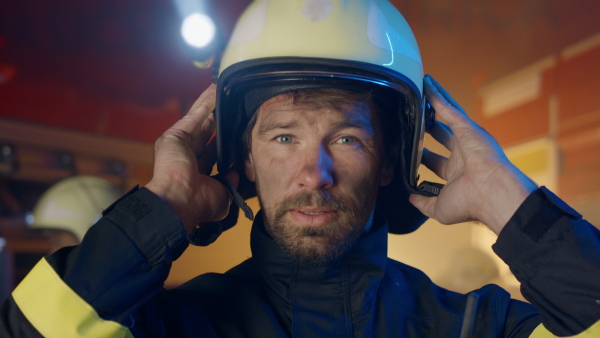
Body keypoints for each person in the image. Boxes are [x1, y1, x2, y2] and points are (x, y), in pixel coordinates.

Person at [1, 1, 599, 337]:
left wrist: (509, 200)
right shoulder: (174, 328)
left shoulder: (471, 328)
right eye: (284, 136)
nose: (314, 174)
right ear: (243, 159)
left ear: (391, 162)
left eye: (345, 138)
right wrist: (164, 203)